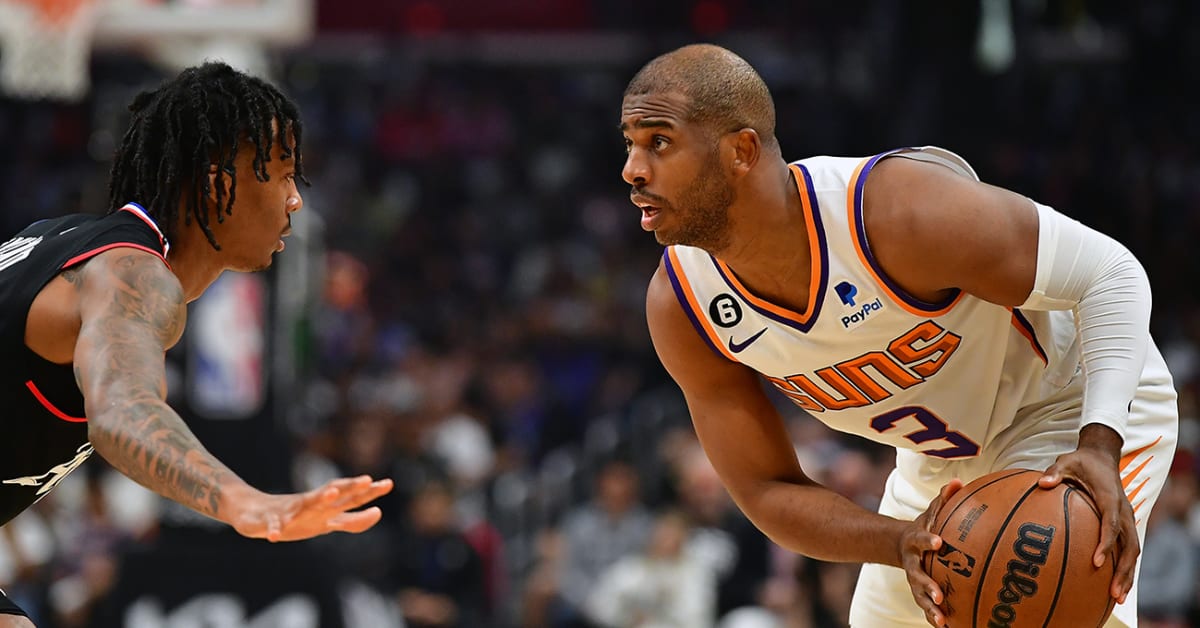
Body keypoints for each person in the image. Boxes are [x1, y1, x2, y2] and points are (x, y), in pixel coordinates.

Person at [620, 44, 1177, 628]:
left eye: (659, 141)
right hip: (940, 463)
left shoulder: (893, 211)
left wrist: (1099, 445)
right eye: (629, 143)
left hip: (1073, 401)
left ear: (741, 150)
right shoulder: (682, 306)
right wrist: (900, 538)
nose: (632, 168)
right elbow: (765, 488)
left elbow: (1110, 274)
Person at [0, 62, 393, 626]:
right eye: (280, 174)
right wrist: (245, 503)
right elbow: (122, 415)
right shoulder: (133, 275)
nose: (295, 201)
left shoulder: (62, 241)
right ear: (219, 184)